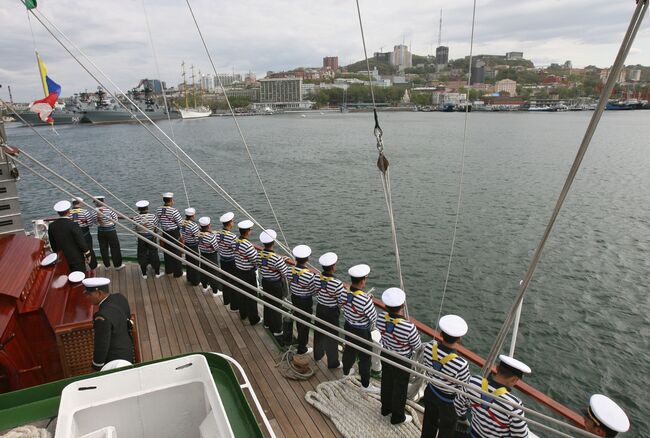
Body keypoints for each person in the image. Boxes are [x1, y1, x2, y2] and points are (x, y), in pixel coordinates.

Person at [454, 355, 531, 438]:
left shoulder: (473, 381)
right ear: (514, 379)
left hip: (473, 434)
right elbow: (521, 436)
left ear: (497, 368)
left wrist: (463, 418)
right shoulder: (514, 405)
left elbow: (458, 403)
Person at [376, 287, 421, 425]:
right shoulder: (409, 327)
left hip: (386, 355)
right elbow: (417, 346)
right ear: (402, 306)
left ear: (386, 306)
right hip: (402, 360)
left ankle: (385, 409)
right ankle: (397, 417)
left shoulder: (380, 317)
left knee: (387, 382)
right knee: (399, 388)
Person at [421, 314, 470, 438]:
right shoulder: (461, 364)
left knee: (428, 423)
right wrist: (462, 413)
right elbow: (463, 389)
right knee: (446, 430)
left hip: (431, 391)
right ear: (459, 339)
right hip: (448, 402)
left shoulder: (429, 347)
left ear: (441, 334)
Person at [339, 264, 378, 392]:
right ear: (363, 280)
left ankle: (346, 372)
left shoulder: (345, 292)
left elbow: (344, 306)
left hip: (348, 326)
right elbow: (373, 317)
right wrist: (368, 301)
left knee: (349, 349)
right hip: (362, 331)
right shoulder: (365, 300)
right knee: (365, 357)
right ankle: (365, 385)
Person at [82, 277, 134, 371]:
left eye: (89, 294)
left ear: (99, 293)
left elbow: (101, 345)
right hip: (128, 350)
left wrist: (96, 368)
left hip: (115, 360)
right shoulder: (120, 297)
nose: (87, 297)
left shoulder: (101, 317)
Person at [313, 252, 346, 368]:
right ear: (333, 267)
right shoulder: (337, 284)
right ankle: (333, 363)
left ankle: (317, 355)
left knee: (319, 332)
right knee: (332, 336)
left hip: (320, 307)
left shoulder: (316, 277)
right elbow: (341, 301)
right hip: (331, 311)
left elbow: (316, 290)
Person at [285, 245, 317, 355]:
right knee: (305, 323)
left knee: (298, 319)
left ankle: (299, 341)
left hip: (295, 297)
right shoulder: (309, 275)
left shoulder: (289, 270)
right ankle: (302, 348)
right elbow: (314, 291)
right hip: (305, 301)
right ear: (307, 259)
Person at [258, 229, 289, 337]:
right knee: (276, 306)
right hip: (275, 284)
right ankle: (277, 329)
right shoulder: (277, 259)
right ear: (274, 243)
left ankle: (267, 323)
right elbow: (285, 272)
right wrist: (281, 260)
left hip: (265, 281)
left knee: (267, 302)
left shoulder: (259, 254)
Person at [48, 200, 91, 273]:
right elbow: (81, 242)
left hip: (61, 258)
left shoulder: (52, 226)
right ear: (69, 211)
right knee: (79, 277)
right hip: (76, 259)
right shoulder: (73, 225)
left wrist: (57, 254)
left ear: (58, 213)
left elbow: (53, 244)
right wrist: (87, 253)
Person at [233, 220, 260, 324]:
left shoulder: (236, 241)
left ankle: (243, 314)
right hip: (248, 273)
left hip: (238, 270)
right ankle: (253, 319)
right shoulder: (248, 245)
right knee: (251, 296)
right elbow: (255, 260)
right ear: (248, 231)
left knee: (242, 293)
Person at [155, 192, 183, 277]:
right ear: (171, 200)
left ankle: (169, 270)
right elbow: (180, 223)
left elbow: (157, 221)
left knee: (167, 251)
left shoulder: (158, 210)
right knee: (176, 252)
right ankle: (177, 273)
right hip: (174, 233)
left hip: (165, 232)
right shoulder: (174, 211)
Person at [133, 200, 162, 279]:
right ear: (147, 208)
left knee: (142, 254)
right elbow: (156, 227)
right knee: (154, 253)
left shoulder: (136, 218)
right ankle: (157, 272)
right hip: (151, 237)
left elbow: (135, 229)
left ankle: (144, 273)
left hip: (141, 238)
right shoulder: (153, 217)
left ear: (139, 209)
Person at [93, 195, 124, 270]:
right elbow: (115, 219)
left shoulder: (93, 210)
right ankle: (117, 265)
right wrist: (110, 224)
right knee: (115, 247)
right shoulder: (109, 209)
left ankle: (107, 266)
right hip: (111, 231)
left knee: (103, 248)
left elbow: (94, 221)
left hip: (100, 231)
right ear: (103, 201)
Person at [215, 212, 237, 310]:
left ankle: (226, 301)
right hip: (231, 261)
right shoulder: (232, 236)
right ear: (229, 223)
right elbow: (236, 249)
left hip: (222, 259)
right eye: (233, 221)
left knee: (225, 281)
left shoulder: (218, 233)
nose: (234, 222)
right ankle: (234, 305)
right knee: (233, 282)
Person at [69, 197, 98, 270]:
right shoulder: (85, 212)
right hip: (85, 233)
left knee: (77, 250)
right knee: (89, 249)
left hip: (73, 234)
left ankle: (82, 265)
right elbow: (90, 223)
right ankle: (93, 266)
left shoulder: (68, 212)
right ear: (80, 203)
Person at [198, 216, 219, 295]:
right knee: (214, 272)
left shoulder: (199, 234)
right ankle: (215, 291)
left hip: (203, 254)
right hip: (211, 256)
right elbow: (216, 248)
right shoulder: (211, 236)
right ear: (209, 225)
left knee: (204, 270)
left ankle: (204, 287)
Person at [181, 207, 201, 286]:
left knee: (189, 262)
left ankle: (189, 278)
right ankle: (195, 281)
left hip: (187, 244)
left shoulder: (183, 223)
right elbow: (197, 237)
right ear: (193, 215)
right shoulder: (193, 225)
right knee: (195, 263)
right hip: (193, 246)